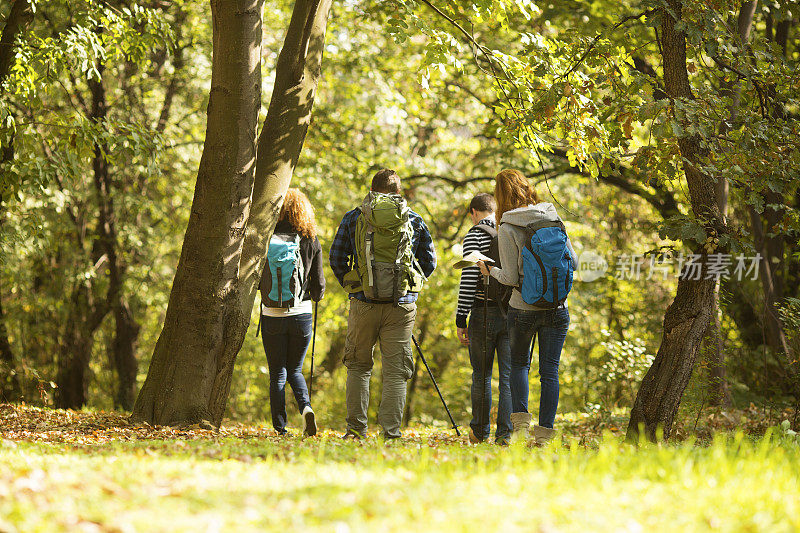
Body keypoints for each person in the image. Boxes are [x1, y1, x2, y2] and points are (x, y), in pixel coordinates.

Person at [329, 169, 437, 440]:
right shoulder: (413, 219)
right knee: (396, 371)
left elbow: (337, 257)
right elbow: (429, 261)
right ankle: (390, 432)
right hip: (401, 306)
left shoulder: (355, 217)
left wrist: (356, 285)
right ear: (398, 192)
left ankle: (356, 431)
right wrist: (408, 285)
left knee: (358, 365)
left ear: (372, 191)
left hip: (363, 303)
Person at [478, 169, 577, 446]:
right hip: (558, 308)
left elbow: (509, 278)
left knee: (520, 365)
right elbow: (575, 263)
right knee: (550, 371)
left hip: (523, 309)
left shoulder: (508, 228)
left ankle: (520, 431)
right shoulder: (553, 219)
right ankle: (544, 437)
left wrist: (489, 271)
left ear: (500, 197)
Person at [259, 188, 325, 437]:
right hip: (301, 315)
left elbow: (257, 280)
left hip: (272, 315)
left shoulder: (267, 237)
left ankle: (280, 428)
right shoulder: (310, 239)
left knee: (277, 372)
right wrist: (314, 296)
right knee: (295, 370)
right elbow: (318, 286)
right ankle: (306, 408)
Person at [456, 193, 512, 445]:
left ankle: (479, 432)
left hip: (483, 313)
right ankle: (505, 435)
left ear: (474, 212)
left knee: (481, 375)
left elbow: (469, 280)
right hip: (512, 311)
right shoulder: (509, 231)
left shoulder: (474, 234)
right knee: (508, 377)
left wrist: (461, 318)